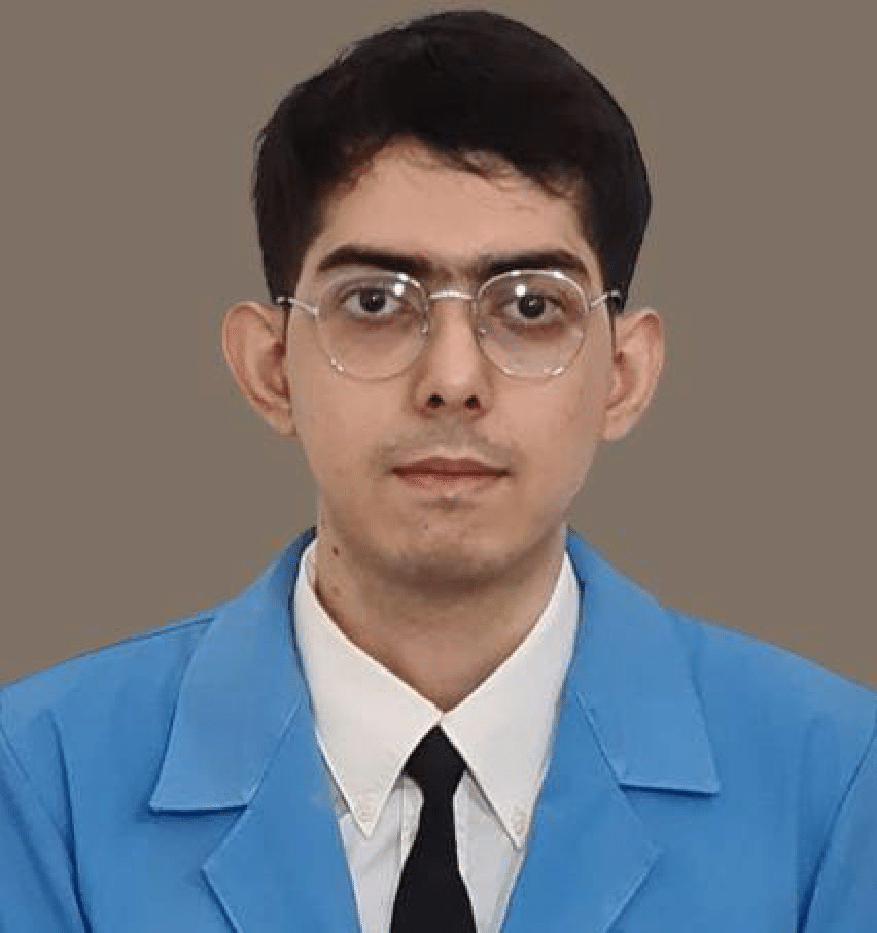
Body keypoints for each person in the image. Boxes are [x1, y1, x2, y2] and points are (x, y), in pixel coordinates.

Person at [1, 9, 874, 932]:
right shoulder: (42, 783)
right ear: (270, 367)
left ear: (623, 373)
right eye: (374, 301)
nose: (452, 379)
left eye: (530, 306)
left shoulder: (835, 783)